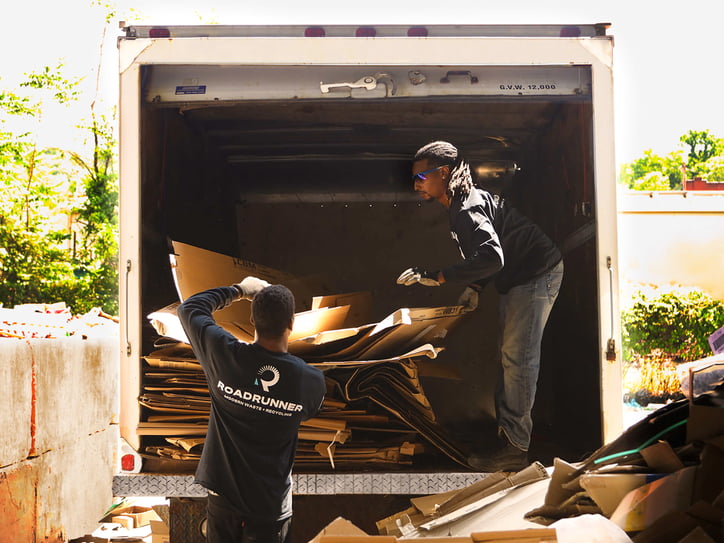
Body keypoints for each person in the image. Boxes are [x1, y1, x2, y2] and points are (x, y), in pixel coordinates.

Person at [396, 141, 564, 472]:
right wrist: (474, 286)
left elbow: (491, 256)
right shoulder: (464, 202)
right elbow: (489, 256)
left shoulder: (465, 210)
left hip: (535, 274)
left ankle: (515, 449)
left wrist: (437, 277)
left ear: (443, 174)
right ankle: (508, 438)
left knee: (518, 360)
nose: (416, 184)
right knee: (509, 358)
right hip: (521, 278)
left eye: (422, 176)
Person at [177, 277, 326, 543]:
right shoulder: (310, 380)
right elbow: (308, 411)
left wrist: (240, 290)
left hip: (224, 498)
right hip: (269, 506)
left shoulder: (225, 356)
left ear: (252, 320)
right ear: (291, 323)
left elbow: (190, 309)